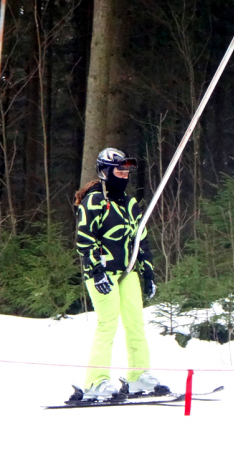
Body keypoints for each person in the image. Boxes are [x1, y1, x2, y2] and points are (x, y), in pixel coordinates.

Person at [74, 147, 159, 399]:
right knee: (107, 324)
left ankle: (138, 377)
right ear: (105, 171)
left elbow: (140, 241)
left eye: (126, 171)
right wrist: (96, 270)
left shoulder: (130, 204)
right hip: (102, 273)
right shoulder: (94, 201)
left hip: (127, 272)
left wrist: (148, 273)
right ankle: (95, 382)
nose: (123, 174)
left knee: (135, 324)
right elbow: (84, 239)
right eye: (118, 170)